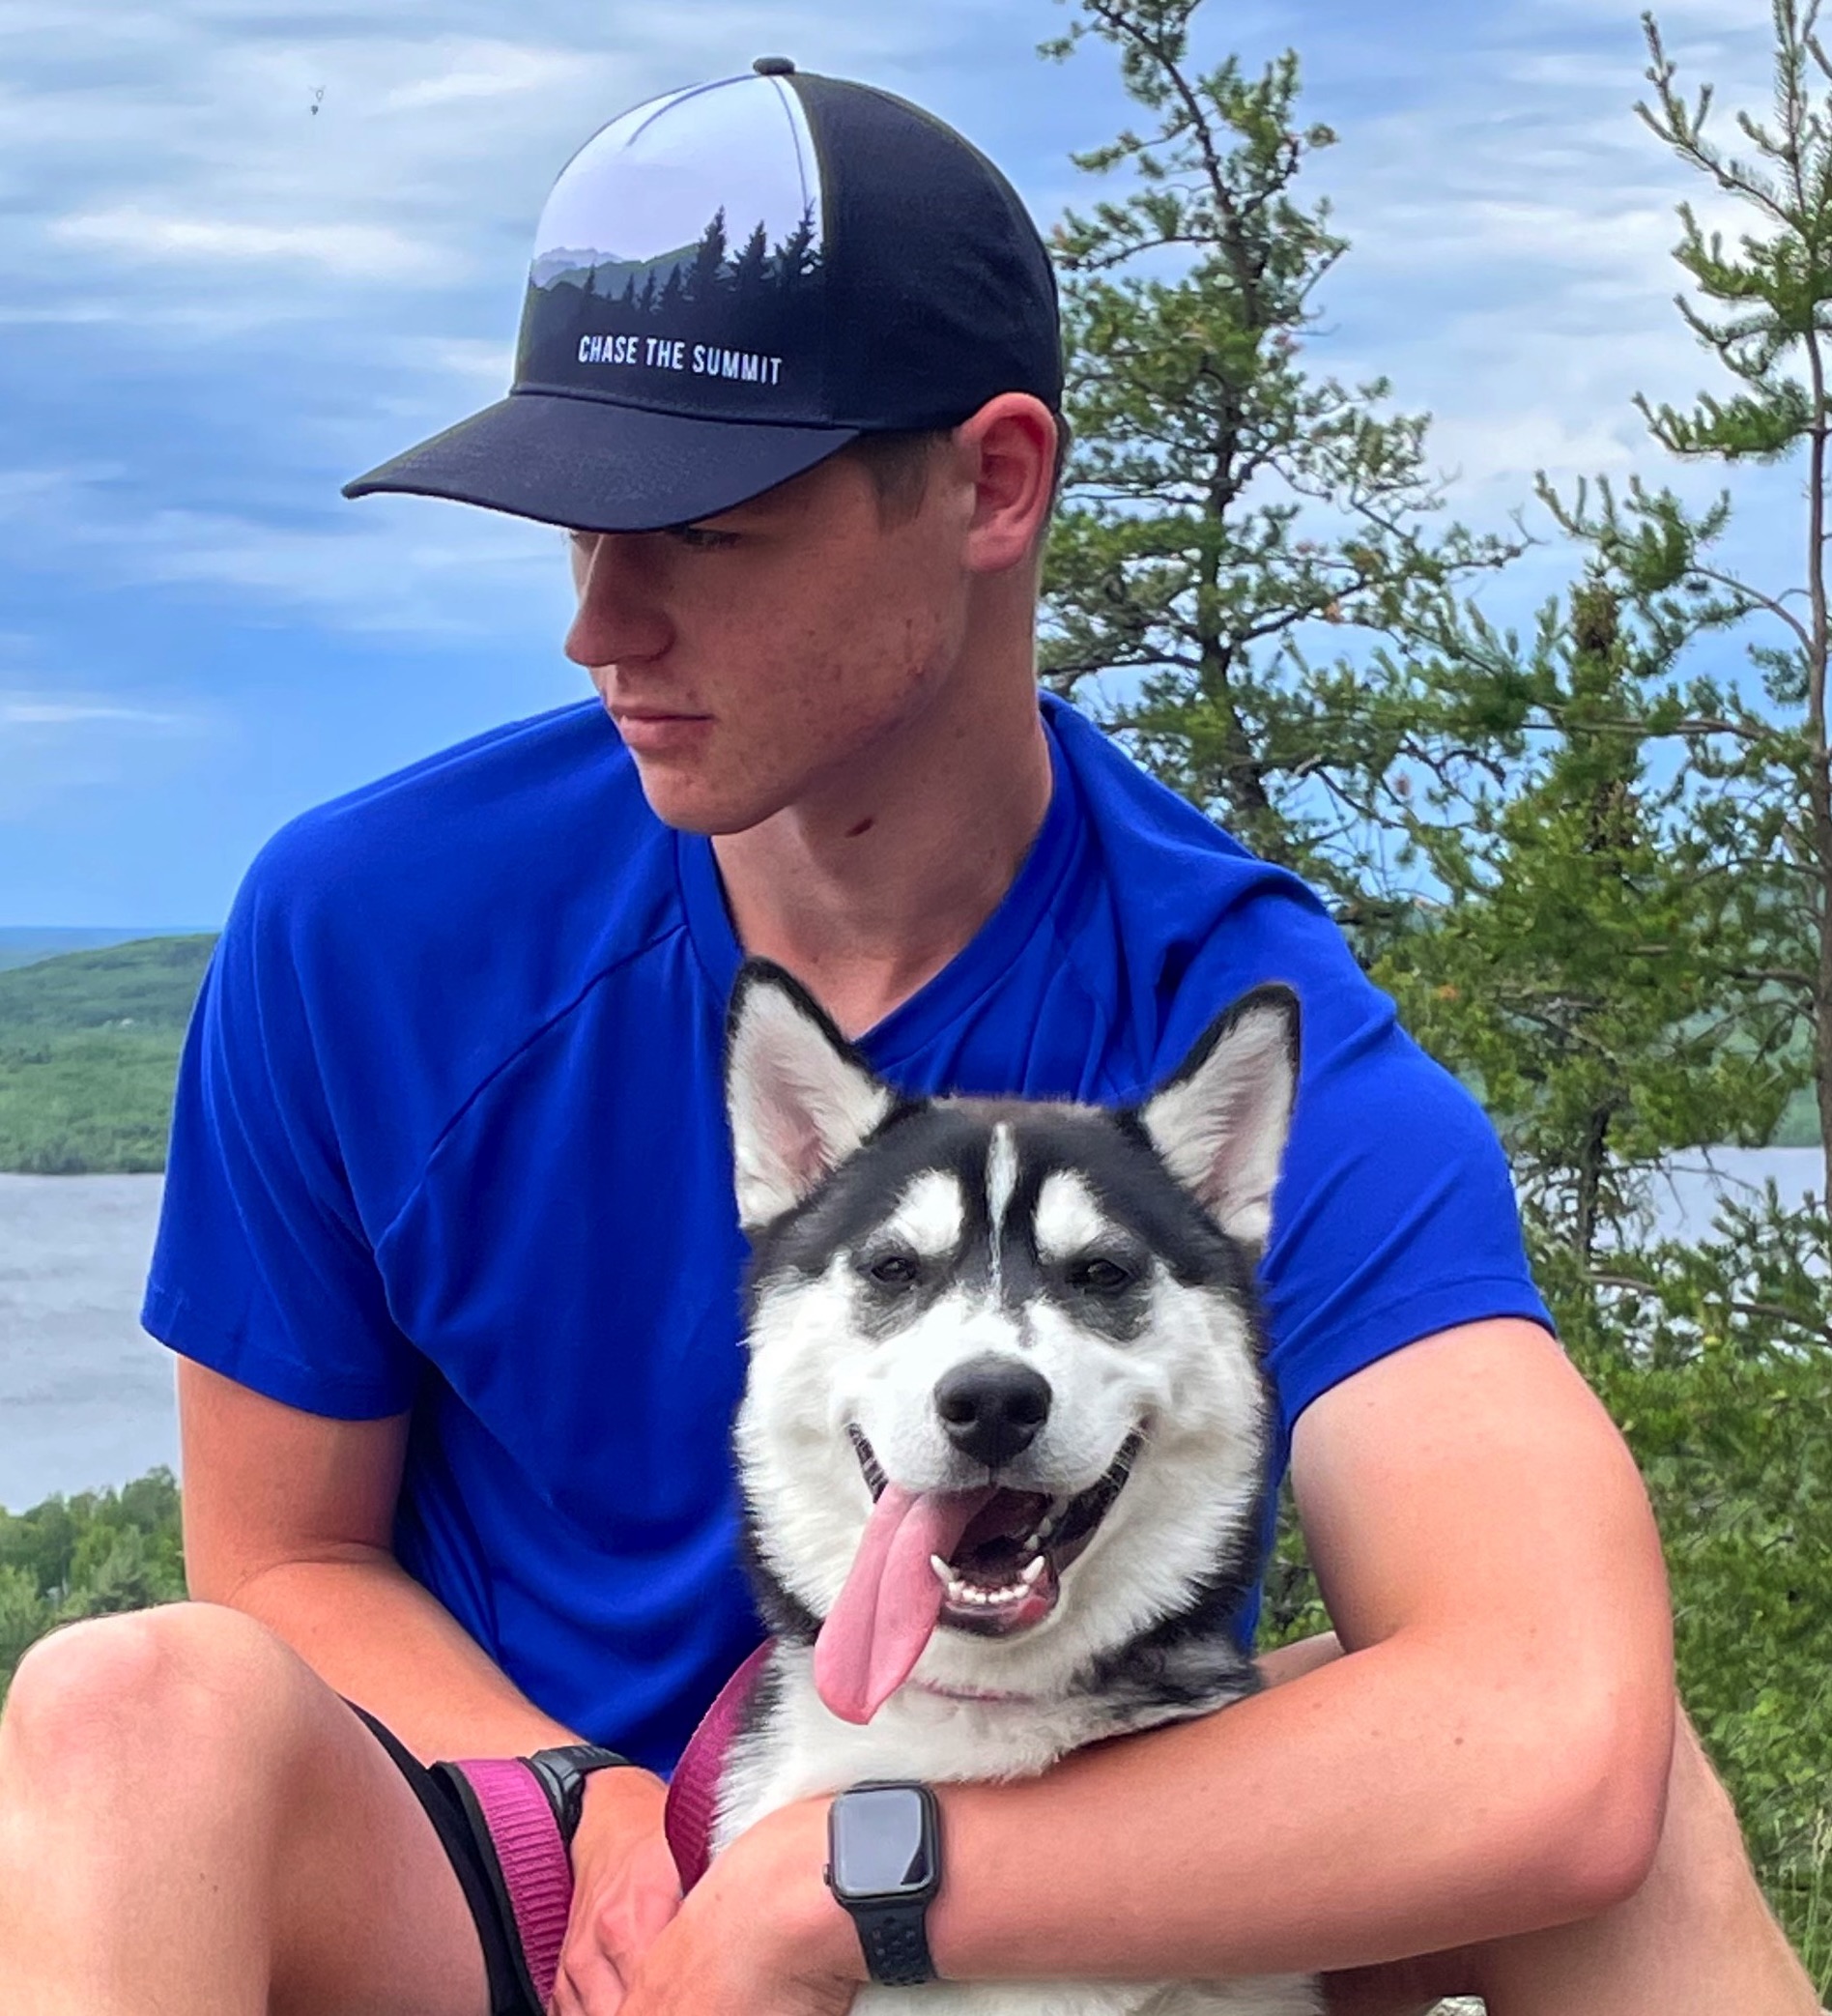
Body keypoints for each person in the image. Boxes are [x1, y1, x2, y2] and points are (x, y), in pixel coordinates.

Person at [0, 59, 1817, 2016]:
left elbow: (1557, 1722)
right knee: (124, 1709)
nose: (600, 623)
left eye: (700, 527)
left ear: (994, 481)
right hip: (529, 1890)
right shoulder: (370, 929)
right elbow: (276, 1569)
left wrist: (842, 1884)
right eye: (573, 527)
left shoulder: (1229, 1031)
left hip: (1024, 1834)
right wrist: (581, 1792)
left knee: (1607, 1822)